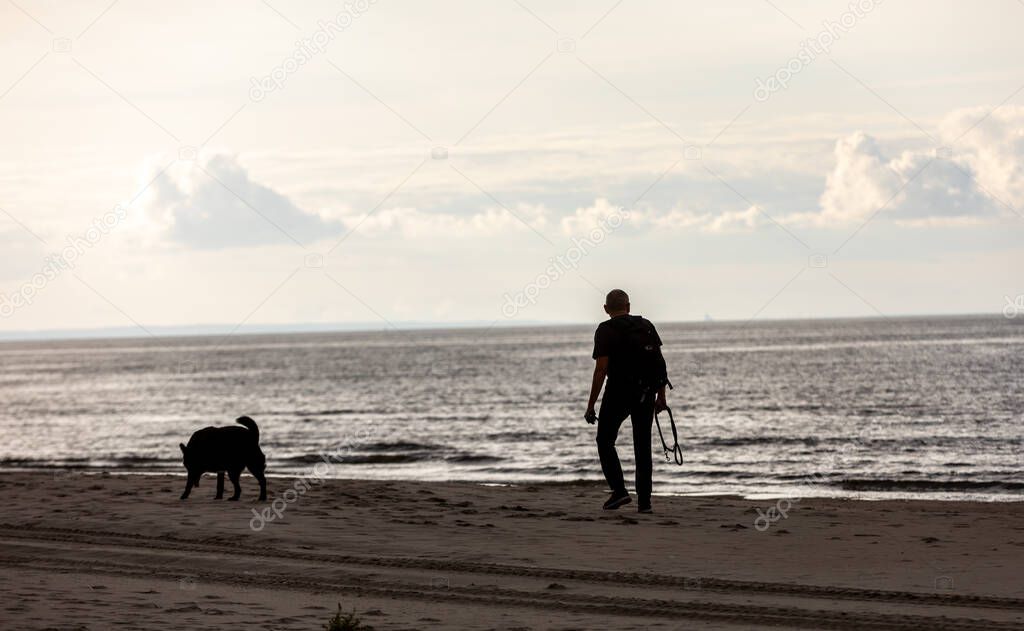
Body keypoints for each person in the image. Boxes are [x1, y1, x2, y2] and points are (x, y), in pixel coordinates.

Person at [584, 289, 668, 514]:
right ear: (628, 306)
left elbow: (601, 369)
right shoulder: (646, 325)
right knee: (643, 446)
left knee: (604, 440)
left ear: (605, 309)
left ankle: (619, 491)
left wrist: (591, 405)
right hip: (646, 392)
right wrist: (661, 396)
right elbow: (659, 362)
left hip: (618, 393)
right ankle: (645, 503)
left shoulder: (605, 330)